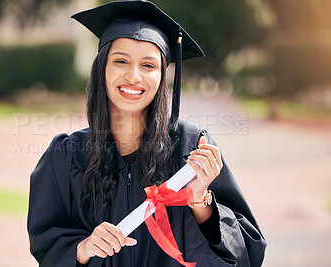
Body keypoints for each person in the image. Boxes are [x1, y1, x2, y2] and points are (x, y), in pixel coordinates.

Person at [27, 1, 267, 266]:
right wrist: (82, 248)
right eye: (120, 61)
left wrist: (200, 200)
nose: (133, 76)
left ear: (162, 76)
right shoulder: (67, 155)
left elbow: (246, 253)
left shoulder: (192, 149)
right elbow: (46, 246)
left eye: (148, 65)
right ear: (101, 69)